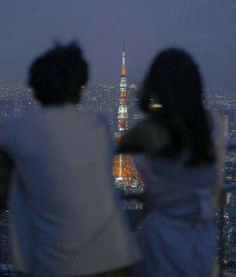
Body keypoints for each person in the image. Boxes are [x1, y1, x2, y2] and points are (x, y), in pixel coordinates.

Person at [0, 43, 139, 277]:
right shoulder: (98, 126)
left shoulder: (16, 131)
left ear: (34, 88)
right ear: (80, 88)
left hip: (53, 264)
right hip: (113, 260)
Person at [119, 48, 222, 277]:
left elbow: (119, 142)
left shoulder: (150, 130)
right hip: (201, 240)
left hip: (161, 240)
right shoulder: (211, 127)